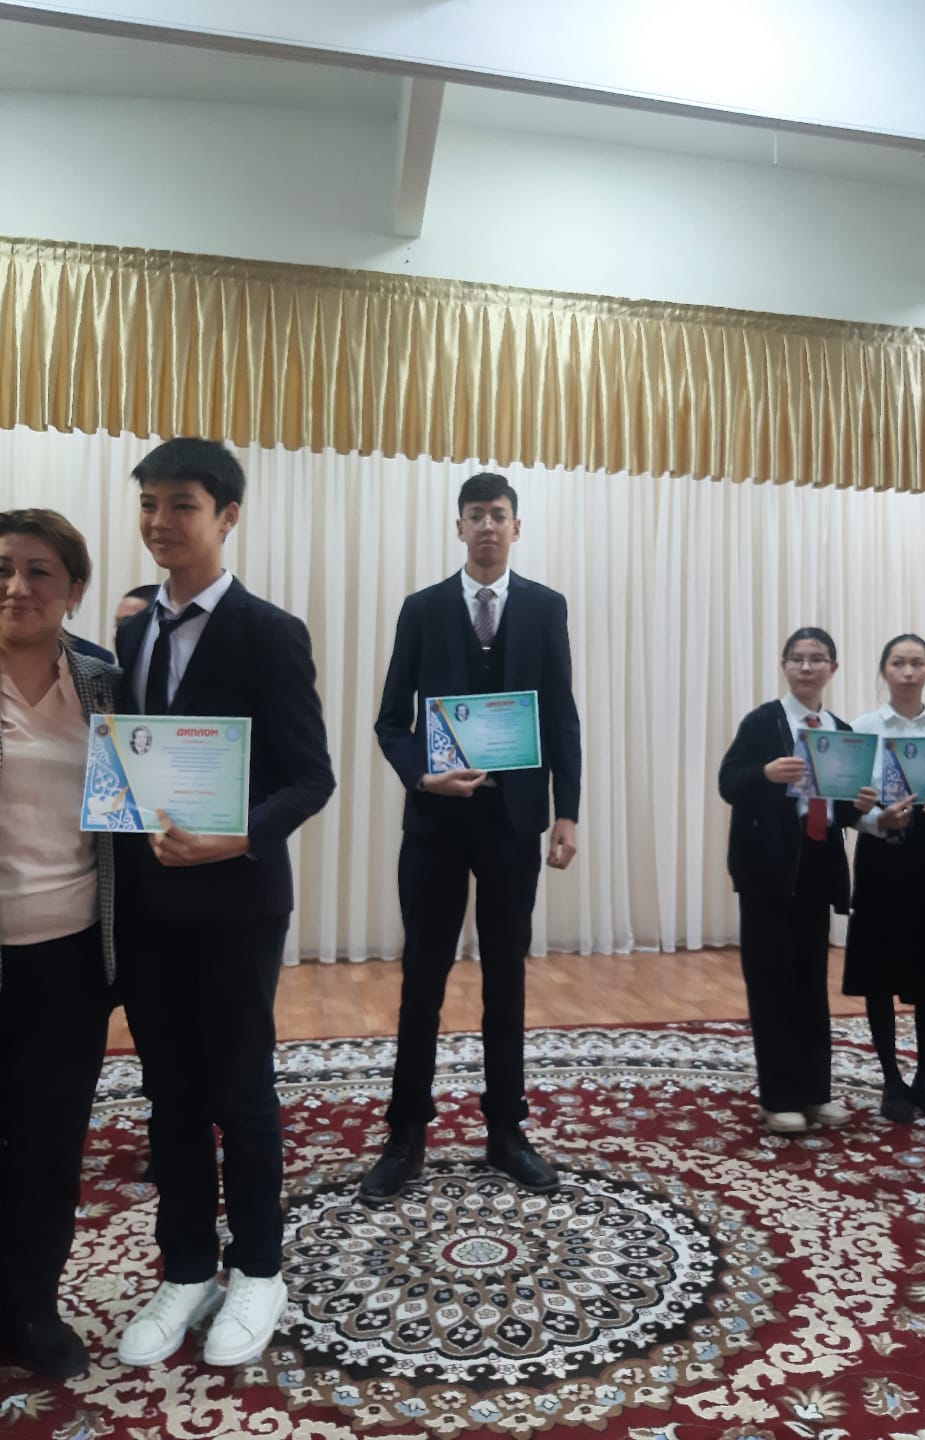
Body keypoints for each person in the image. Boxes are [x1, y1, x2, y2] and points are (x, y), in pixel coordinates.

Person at [114, 438, 335, 1368]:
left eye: (183, 505)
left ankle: (259, 1268)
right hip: (147, 904)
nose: (161, 522)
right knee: (167, 1092)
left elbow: (312, 777)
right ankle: (187, 1268)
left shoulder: (269, 631)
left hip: (239, 901)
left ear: (228, 516)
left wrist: (234, 836)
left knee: (240, 1092)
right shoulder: (131, 632)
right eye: (149, 504)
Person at [363, 472, 581, 1202]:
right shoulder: (422, 609)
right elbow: (391, 722)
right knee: (422, 980)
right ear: (459, 527)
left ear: (517, 528)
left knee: (506, 980)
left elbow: (562, 716)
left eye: (499, 514)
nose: (488, 525)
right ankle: (405, 1135)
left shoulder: (546, 608)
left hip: (514, 825)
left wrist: (568, 811)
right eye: (476, 514)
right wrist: (423, 776)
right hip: (435, 824)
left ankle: (506, 1131)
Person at [0, 509, 120, 1378]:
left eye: (39, 571)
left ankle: (33, 1309)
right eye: (2, 569)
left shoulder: (105, 682)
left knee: (47, 1142)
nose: (16, 587)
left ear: (73, 589)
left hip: (70, 954)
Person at [718, 626, 875, 1135]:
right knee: (771, 982)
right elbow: (728, 783)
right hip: (767, 870)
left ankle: (815, 1092)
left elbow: (842, 812)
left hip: (818, 865)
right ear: (784, 665)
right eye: (798, 658)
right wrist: (765, 774)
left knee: (810, 982)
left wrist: (861, 805)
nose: (807, 667)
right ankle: (778, 1097)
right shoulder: (763, 722)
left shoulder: (839, 730)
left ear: (834, 668)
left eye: (817, 658)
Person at [843, 634, 925, 1123]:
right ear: (884, 671)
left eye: (917, 663)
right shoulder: (863, 729)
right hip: (880, 856)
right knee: (879, 973)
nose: (909, 672)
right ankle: (892, 1081)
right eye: (899, 663)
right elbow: (845, 805)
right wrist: (878, 819)